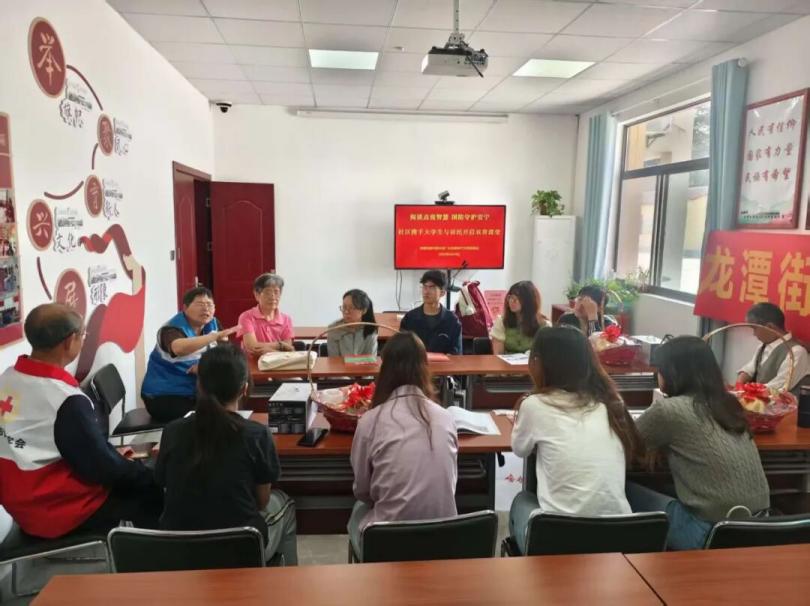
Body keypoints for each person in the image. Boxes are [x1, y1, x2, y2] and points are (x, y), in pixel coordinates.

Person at [0, 304, 161, 538]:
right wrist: (144, 471)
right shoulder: (63, 399)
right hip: (57, 509)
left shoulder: (7, 378)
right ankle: (153, 555)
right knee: (150, 489)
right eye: (83, 334)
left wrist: (111, 456)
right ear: (69, 341)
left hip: (20, 504)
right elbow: (100, 467)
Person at [156, 344, 298, 564]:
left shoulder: (172, 431)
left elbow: (163, 484)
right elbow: (261, 502)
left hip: (179, 550)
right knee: (285, 504)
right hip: (240, 549)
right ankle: (280, 582)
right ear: (244, 388)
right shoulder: (257, 434)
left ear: (199, 384)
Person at [629, 336, 770, 550]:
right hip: (761, 530)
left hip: (707, 535)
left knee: (627, 489)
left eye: (660, 370)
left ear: (672, 373)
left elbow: (625, 444)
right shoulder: (730, 404)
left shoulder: (668, 410)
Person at [508, 326, 639, 555]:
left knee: (521, 501)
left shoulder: (534, 405)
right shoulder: (609, 402)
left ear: (538, 362)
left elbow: (520, 449)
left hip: (561, 538)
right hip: (620, 535)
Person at [347, 332, 458, 554]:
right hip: (445, 540)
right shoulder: (446, 417)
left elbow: (362, 490)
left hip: (389, 544)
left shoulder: (371, 421)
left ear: (384, 371)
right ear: (425, 368)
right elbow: (450, 483)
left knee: (358, 510)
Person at [141, 287, 236, 422]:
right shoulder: (171, 329)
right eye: (200, 304)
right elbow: (178, 348)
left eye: (209, 305)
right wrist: (212, 337)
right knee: (213, 416)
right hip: (164, 396)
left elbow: (224, 354)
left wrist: (204, 366)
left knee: (228, 400)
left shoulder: (212, 324)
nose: (206, 309)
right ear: (185, 308)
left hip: (194, 391)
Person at [737, 302, 809, 395]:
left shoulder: (796, 352)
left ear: (770, 327)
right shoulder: (763, 347)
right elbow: (749, 369)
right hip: (756, 399)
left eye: (755, 329)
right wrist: (739, 384)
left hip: (780, 402)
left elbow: (778, 387)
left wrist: (747, 391)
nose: (754, 334)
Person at [399, 270, 462, 354]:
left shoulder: (452, 321)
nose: (426, 291)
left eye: (432, 287)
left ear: (442, 293)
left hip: (442, 362)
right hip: (416, 362)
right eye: (424, 287)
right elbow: (402, 350)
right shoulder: (409, 318)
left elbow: (456, 354)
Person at [239, 273, 295, 355]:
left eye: (276, 292)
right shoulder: (246, 317)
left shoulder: (286, 319)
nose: (273, 296)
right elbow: (252, 347)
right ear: (257, 295)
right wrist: (280, 345)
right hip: (253, 361)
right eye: (268, 292)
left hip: (279, 361)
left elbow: (288, 348)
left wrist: (268, 351)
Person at [490, 281, 548, 354]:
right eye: (511, 297)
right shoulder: (501, 321)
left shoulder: (544, 324)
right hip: (506, 361)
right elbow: (498, 354)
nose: (512, 301)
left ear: (529, 301)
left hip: (530, 360)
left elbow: (544, 354)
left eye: (517, 298)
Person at [327, 289, 378, 357]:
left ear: (364, 310)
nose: (346, 312)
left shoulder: (370, 328)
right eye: (344, 307)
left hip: (365, 364)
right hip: (340, 364)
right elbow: (334, 360)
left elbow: (371, 359)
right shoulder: (334, 329)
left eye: (352, 308)